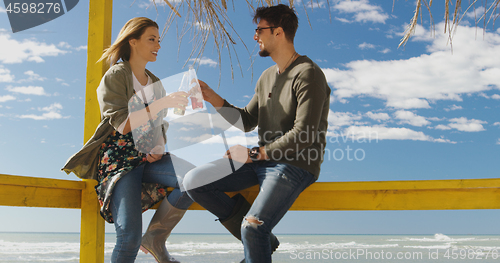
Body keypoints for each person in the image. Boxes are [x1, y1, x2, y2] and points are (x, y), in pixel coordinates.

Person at [183, 4, 331, 263]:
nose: (255, 36)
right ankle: (264, 241)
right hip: (261, 160)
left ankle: (257, 237)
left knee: (253, 226)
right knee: (193, 180)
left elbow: (304, 134)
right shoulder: (266, 77)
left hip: (295, 163)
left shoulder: (308, 73)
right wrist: (212, 98)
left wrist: (253, 153)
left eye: (259, 30)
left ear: (278, 32)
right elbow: (246, 120)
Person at [62, 17, 194, 263]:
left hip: (149, 159)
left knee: (195, 178)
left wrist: (158, 146)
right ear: (133, 41)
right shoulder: (116, 75)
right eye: (151, 39)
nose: (157, 45)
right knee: (129, 238)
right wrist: (161, 104)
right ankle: (143, 239)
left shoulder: (155, 83)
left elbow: (158, 126)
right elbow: (122, 124)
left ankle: (155, 237)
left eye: (158, 40)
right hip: (119, 161)